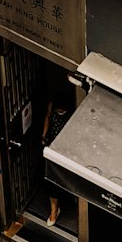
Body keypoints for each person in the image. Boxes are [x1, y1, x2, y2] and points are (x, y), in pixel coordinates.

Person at [41, 94, 71, 226]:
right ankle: (54, 211)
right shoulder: (51, 107)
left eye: (62, 111)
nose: (59, 112)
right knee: (52, 181)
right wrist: (44, 135)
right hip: (53, 144)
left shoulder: (73, 113)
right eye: (58, 111)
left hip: (67, 148)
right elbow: (47, 117)